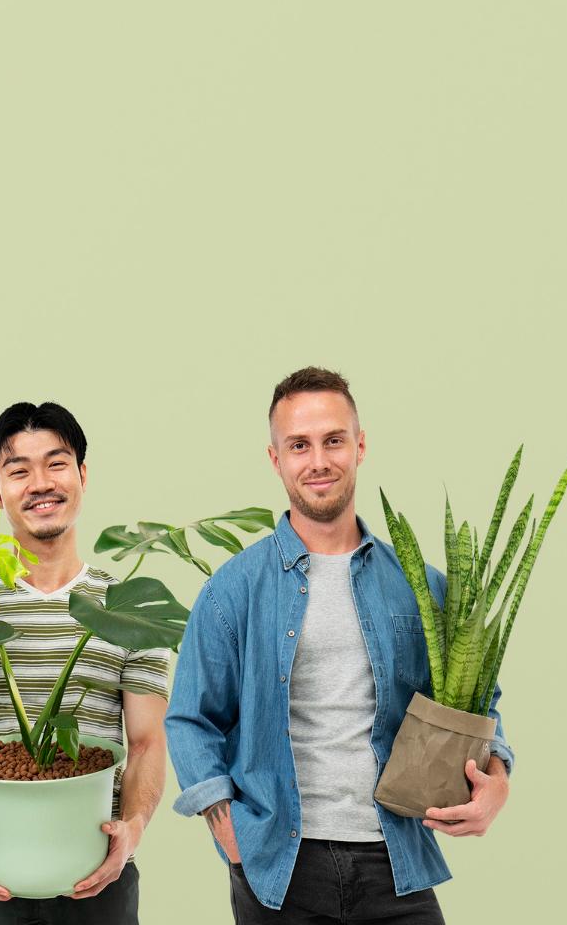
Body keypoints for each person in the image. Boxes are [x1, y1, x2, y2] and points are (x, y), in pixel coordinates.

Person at [165, 367, 514, 923]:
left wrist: (497, 779)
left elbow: (479, 704)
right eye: (299, 445)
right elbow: (190, 719)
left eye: (333, 440)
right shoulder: (233, 589)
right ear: (276, 458)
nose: (318, 461)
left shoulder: (420, 585)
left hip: (394, 857)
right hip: (277, 863)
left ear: (360, 445)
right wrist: (226, 826)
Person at [0, 401, 170, 924]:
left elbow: (146, 739)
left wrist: (135, 828)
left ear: (82, 474)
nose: (41, 483)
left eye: (56, 463)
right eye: (19, 470)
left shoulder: (128, 609)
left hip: (98, 872)